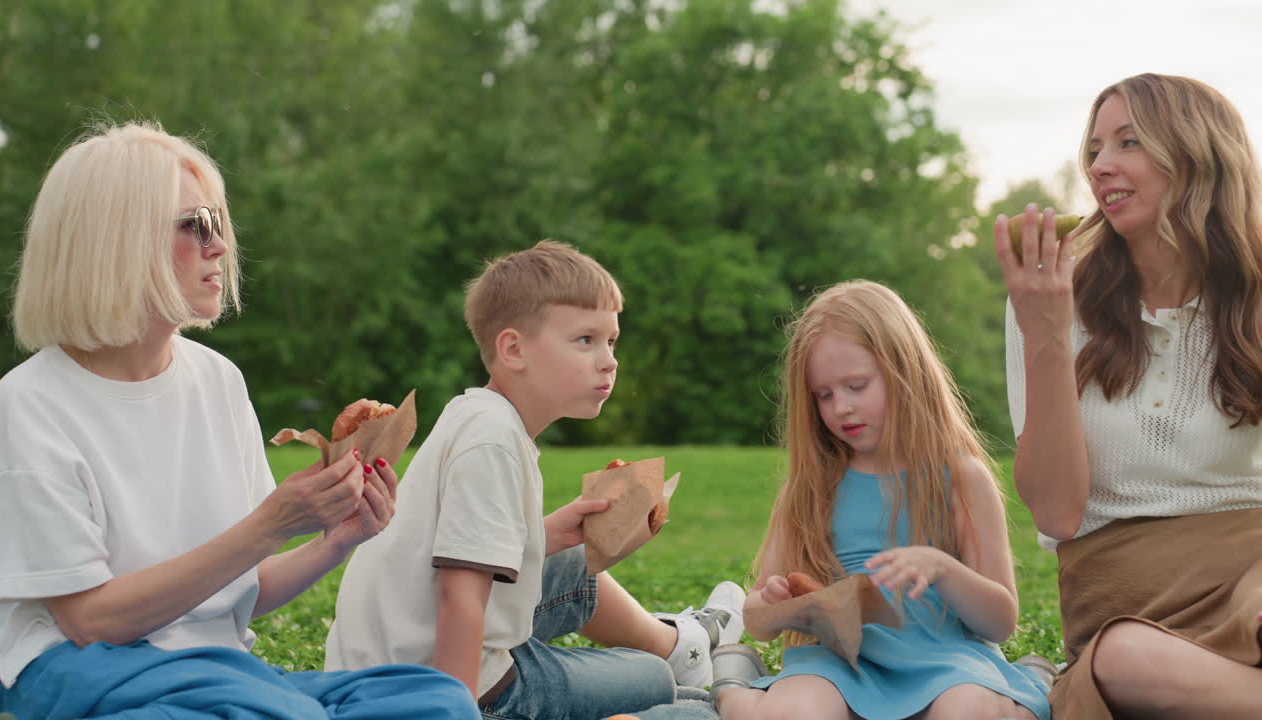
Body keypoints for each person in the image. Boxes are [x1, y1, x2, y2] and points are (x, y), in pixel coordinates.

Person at [0, 122, 477, 719]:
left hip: (217, 677)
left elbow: (247, 587)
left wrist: (338, 540)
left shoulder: (217, 380)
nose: (220, 246)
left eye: (219, 222)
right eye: (196, 225)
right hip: (87, 673)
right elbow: (89, 621)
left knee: (435, 700)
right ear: (115, 240)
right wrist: (268, 526)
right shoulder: (32, 403)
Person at [325, 240, 745, 720]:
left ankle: (686, 652)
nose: (609, 360)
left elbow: (453, 554)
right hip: (440, 690)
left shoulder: (477, 415)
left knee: (591, 588)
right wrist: (450, 714)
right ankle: (702, 680)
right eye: (585, 340)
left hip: (393, 663)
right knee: (660, 687)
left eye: (611, 341)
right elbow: (458, 594)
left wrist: (545, 536)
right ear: (513, 349)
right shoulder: (494, 442)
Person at [996, 73, 1262, 718]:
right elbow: (1057, 513)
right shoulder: (1052, 299)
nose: (1098, 167)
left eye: (1128, 142)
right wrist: (1048, 336)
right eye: (1094, 149)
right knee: (1121, 661)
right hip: (1125, 600)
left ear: (1197, 154)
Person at [711, 280, 1050, 720]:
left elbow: (1000, 621)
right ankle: (734, 690)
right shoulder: (811, 488)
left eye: (856, 386)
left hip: (944, 663)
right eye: (824, 395)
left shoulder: (960, 477)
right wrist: (774, 606)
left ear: (905, 372)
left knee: (970, 710)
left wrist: (943, 569)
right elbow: (757, 618)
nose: (841, 408)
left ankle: (1030, 683)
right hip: (839, 666)